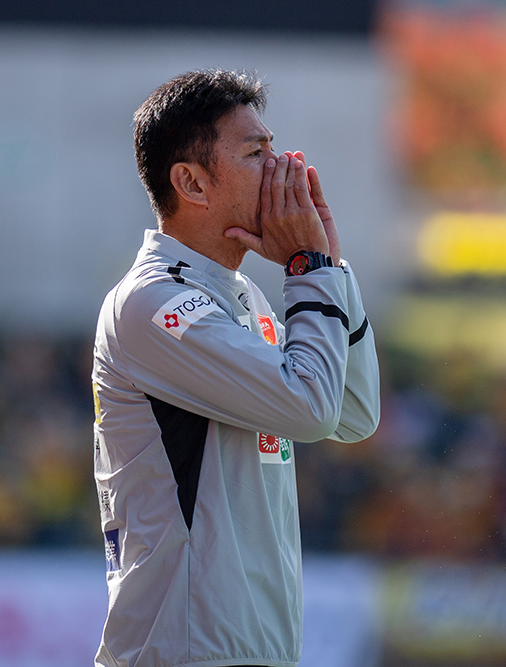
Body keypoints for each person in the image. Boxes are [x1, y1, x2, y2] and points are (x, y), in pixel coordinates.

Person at [91, 69, 380, 667]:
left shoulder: (243, 295)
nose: (282, 168)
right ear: (192, 182)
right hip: (184, 652)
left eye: (274, 147)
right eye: (256, 153)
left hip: (252, 650)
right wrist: (307, 268)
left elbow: (352, 413)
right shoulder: (154, 302)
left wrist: (327, 266)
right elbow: (310, 408)